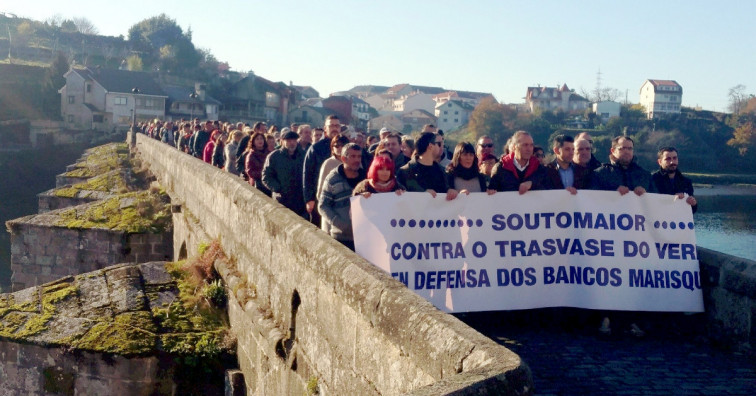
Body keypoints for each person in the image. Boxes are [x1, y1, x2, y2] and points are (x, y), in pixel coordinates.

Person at [319, 143, 367, 250]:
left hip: (364, 236)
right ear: (344, 158)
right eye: (353, 156)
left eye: (359, 156)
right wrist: (341, 224)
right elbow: (323, 206)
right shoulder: (332, 179)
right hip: (341, 238)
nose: (357, 160)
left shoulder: (366, 178)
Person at [303, 115, 342, 226]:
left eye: (337, 125)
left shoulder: (347, 146)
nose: (335, 128)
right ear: (325, 128)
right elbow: (307, 174)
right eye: (331, 126)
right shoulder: (316, 148)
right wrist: (309, 199)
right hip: (320, 198)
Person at [396, 132, 459, 200]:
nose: (441, 147)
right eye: (439, 144)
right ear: (430, 146)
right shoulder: (404, 172)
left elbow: (448, 190)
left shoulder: (443, 172)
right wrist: (422, 194)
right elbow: (400, 198)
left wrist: (451, 191)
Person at [591, 136, 655, 196]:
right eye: (622, 148)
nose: (626, 151)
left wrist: (646, 194)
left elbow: (656, 200)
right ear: (613, 151)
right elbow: (592, 197)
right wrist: (613, 192)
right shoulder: (600, 174)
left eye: (630, 149)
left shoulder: (645, 175)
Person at [262, 130, 306, 216]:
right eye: (289, 141)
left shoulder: (303, 155)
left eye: (294, 141)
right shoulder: (274, 156)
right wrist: (278, 188)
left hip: (300, 199)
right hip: (282, 199)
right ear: (282, 141)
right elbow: (266, 176)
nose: (292, 143)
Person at [652, 146, 697, 213]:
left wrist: (693, 203)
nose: (672, 162)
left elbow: (692, 211)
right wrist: (673, 198)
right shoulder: (652, 180)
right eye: (668, 159)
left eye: (674, 158)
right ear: (660, 162)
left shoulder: (686, 182)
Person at [316, 135, 350, 203]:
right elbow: (321, 189)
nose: (340, 148)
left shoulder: (354, 161)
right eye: (337, 146)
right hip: (333, 203)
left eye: (343, 145)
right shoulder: (328, 163)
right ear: (332, 148)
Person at [244, 131, 271, 196]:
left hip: (269, 182)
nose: (260, 141)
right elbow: (250, 171)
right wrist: (264, 174)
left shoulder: (269, 153)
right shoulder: (251, 155)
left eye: (261, 138)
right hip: (258, 183)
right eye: (257, 139)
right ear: (253, 141)